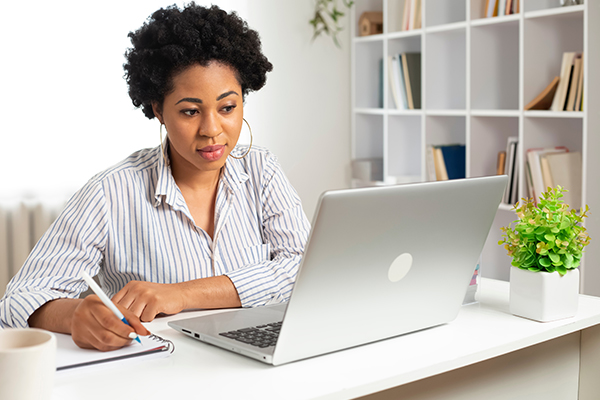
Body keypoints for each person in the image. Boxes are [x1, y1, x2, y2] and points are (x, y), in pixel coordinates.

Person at [0, 3, 310, 351]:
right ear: (158, 109)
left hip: (261, 360)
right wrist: (75, 316)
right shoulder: (111, 192)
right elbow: (18, 300)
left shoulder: (261, 170)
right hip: (164, 372)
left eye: (227, 108)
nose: (211, 130)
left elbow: (303, 268)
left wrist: (180, 294)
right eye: (190, 111)